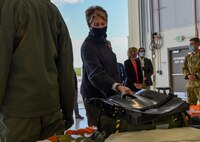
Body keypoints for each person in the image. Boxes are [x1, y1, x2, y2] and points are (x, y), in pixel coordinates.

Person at [0, 0, 75, 141]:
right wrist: (67, 110)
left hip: (18, 117)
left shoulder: (7, 6)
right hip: (52, 112)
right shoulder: (52, 10)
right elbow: (66, 68)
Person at [80, 6, 133, 127]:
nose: (100, 27)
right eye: (96, 24)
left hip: (111, 93)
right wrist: (118, 86)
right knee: (99, 130)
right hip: (95, 98)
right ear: (89, 25)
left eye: (103, 23)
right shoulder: (87, 46)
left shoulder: (105, 43)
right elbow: (96, 74)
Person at [183, 37, 200, 105]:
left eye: (193, 44)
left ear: (198, 44)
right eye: (190, 44)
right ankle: (192, 116)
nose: (191, 46)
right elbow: (184, 68)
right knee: (190, 105)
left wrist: (197, 76)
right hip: (190, 85)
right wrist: (187, 75)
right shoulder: (188, 57)